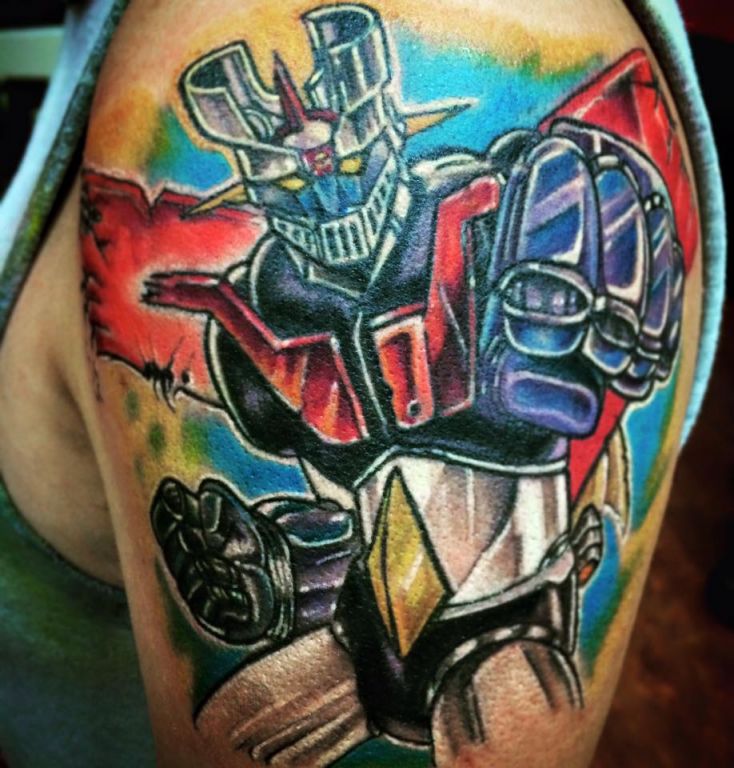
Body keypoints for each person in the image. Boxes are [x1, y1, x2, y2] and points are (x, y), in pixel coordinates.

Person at [0, 1, 725, 766]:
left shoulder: (479, 153)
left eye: (347, 167)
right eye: (289, 181)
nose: (327, 200)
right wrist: (282, 561)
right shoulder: (274, 293)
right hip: (365, 641)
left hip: (496, 633)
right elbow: (351, 492)